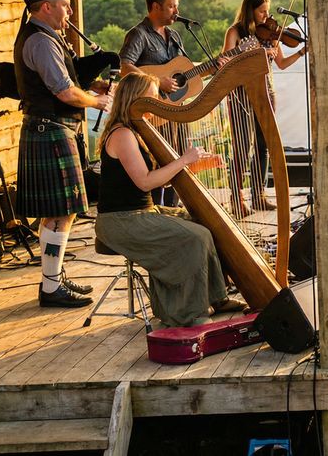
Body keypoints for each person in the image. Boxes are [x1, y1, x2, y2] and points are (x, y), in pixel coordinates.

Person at [95, 73, 242, 326]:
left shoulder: (137, 131)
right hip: (121, 220)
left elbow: (157, 179)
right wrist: (184, 160)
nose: (159, 102)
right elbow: (145, 182)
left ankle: (216, 297)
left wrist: (196, 166)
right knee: (195, 237)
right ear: (136, 99)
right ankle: (189, 312)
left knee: (204, 222)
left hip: (142, 213)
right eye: (153, 97)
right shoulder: (122, 135)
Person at [14, 0, 113, 308]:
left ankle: (52, 278)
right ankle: (51, 286)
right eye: (65, 5)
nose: (69, 11)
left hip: (50, 129)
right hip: (50, 129)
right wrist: (98, 103)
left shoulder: (46, 37)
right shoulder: (41, 41)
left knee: (58, 214)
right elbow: (64, 91)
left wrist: (94, 85)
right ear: (46, 7)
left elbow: (68, 81)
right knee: (61, 213)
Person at [222, 0, 304, 216]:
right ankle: (236, 198)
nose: (267, 16)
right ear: (251, 10)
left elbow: (283, 63)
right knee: (241, 145)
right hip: (240, 91)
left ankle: (258, 195)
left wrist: (301, 51)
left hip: (266, 91)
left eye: (267, 11)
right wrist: (259, 54)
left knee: (262, 143)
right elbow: (226, 63)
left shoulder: (269, 34)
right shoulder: (235, 32)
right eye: (262, 11)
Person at [119, 0, 187, 207]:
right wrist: (157, 82)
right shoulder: (138, 34)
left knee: (176, 159)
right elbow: (125, 67)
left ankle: (172, 210)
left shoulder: (174, 35)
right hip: (151, 112)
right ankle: (155, 210)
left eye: (176, 7)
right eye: (171, 7)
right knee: (157, 161)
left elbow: (180, 69)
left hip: (174, 110)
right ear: (156, 7)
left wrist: (215, 66)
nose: (176, 12)